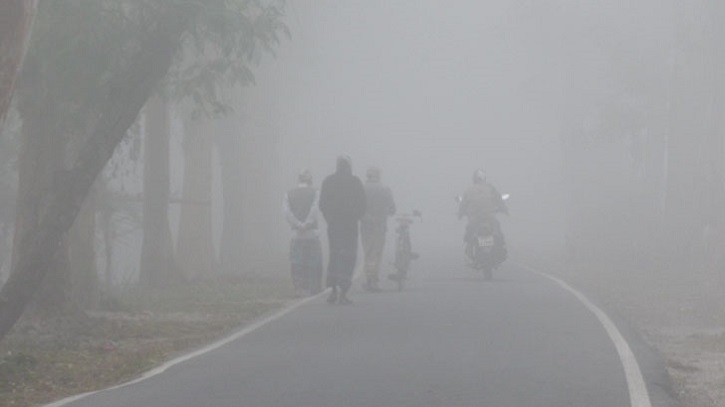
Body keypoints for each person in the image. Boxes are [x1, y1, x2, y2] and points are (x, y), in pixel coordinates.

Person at [319, 155, 366, 305]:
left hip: (333, 226)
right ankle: (343, 292)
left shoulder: (328, 181)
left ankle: (332, 289)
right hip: (350, 226)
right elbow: (363, 204)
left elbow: (322, 204)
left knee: (334, 255)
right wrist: (355, 217)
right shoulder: (355, 182)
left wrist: (329, 218)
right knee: (348, 257)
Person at [283, 169, 323, 296]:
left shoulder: (288, 194)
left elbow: (287, 212)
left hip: (296, 234)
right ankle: (314, 287)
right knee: (314, 261)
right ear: (310, 180)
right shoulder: (315, 192)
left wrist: (297, 224)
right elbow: (315, 209)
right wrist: (307, 224)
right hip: (311, 232)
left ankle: (299, 288)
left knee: (296, 261)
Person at [458, 169, 507, 262]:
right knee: (498, 232)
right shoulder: (490, 188)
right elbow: (499, 201)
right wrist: (505, 210)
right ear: (484, 179)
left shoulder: (469, 190)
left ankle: (469, 253)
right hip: (490, 217)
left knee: (468, 234)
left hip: (474, 218)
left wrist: (460, 215)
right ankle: (501, 250)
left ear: (474, 179)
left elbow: (463, 205)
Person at [360, 167, 396, 292]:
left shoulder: (361, 189)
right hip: (380, 225)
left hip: (366, 225)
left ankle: (369, 277)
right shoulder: (385, 189)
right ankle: (373, 279)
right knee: (377, 252)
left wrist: (367, 217)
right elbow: (392, 208)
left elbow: (358, 208)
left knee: (368, 251)